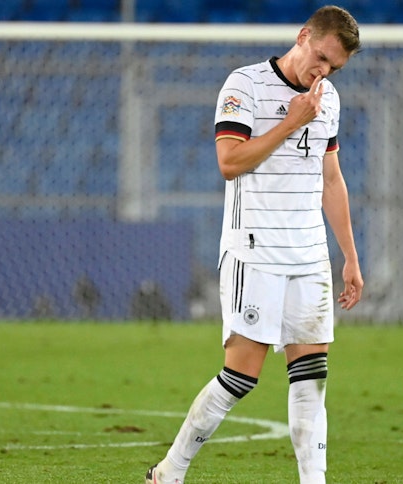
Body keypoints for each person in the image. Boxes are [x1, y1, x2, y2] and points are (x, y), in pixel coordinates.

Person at [145, 6, 363, 484]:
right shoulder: (243, 85)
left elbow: (331, 178)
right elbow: (230, 162)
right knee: (240, 377)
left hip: (308, 254)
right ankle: (168, 472)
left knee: (312, 377)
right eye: (321, 58)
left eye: (333, 68)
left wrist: (349, 254)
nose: (322, 71)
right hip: (255, 250)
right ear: (304, 36)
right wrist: (290, 121)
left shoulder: (329, 99)